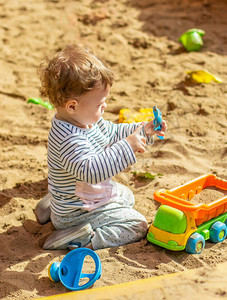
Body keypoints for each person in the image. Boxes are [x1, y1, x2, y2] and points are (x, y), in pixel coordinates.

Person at [34, 44, 167, 251]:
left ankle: (51, 206)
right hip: (77, 213)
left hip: (77, 197)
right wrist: (127, 147)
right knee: (136, 224)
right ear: (72, 106)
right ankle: (80, 238)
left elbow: (112, 133)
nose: (104, 106)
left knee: (126, 196)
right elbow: (92, 172)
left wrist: (144, 130)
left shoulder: (85, 120)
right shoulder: (69, 139)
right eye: (99, 104)